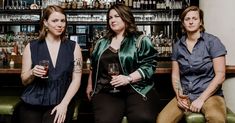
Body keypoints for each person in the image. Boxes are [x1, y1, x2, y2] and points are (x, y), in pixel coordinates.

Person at [86, 3, 159, 123]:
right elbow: (94, 66)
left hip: (136, 88)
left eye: (117, 16)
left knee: (142, 118)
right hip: (107, 90)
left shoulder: (140, 40)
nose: (113, 20)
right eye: (110, 17)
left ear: (126, 17)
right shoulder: (102, 42)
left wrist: (128, 78)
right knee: (106, 120)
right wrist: (90, 86)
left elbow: (150, 65)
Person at [157, 6, 227, 123]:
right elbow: (175, 76)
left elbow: (220, 75)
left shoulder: (213, 42)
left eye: (194, 18)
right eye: (187, 19)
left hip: (210, 95)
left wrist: (201, 99)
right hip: (186, 95)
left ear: (201, 22)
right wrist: (179, 95)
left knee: (216, 118)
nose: (190, 21)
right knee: (162, 120)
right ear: (183, 23)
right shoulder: (178, 46)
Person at [18, 5, 82, 123]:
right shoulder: (31, 47)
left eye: (63, 21)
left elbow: (76, 79)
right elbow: (24, 80)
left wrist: (64, 104)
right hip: (33, 100)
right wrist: (32, 72)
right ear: (45, 23)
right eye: (55, 20)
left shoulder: (74, 47)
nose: (60, 24)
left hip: (60, 101)